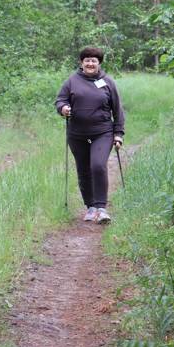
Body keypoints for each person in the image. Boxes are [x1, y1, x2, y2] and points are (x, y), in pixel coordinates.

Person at [55, 46, 125, 224]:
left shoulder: (108, 82)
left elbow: (117, 109)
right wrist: (63, 108)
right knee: (83, 169)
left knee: (97, 166)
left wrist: (118, 133)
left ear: (99, 63)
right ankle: (90, 207)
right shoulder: (72, 81)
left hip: (103, 132)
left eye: (94, 60)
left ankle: (101, 208)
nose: (90, 63)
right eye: (87, 60)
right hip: (77, 133)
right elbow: (60, 100)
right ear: (81, 62)